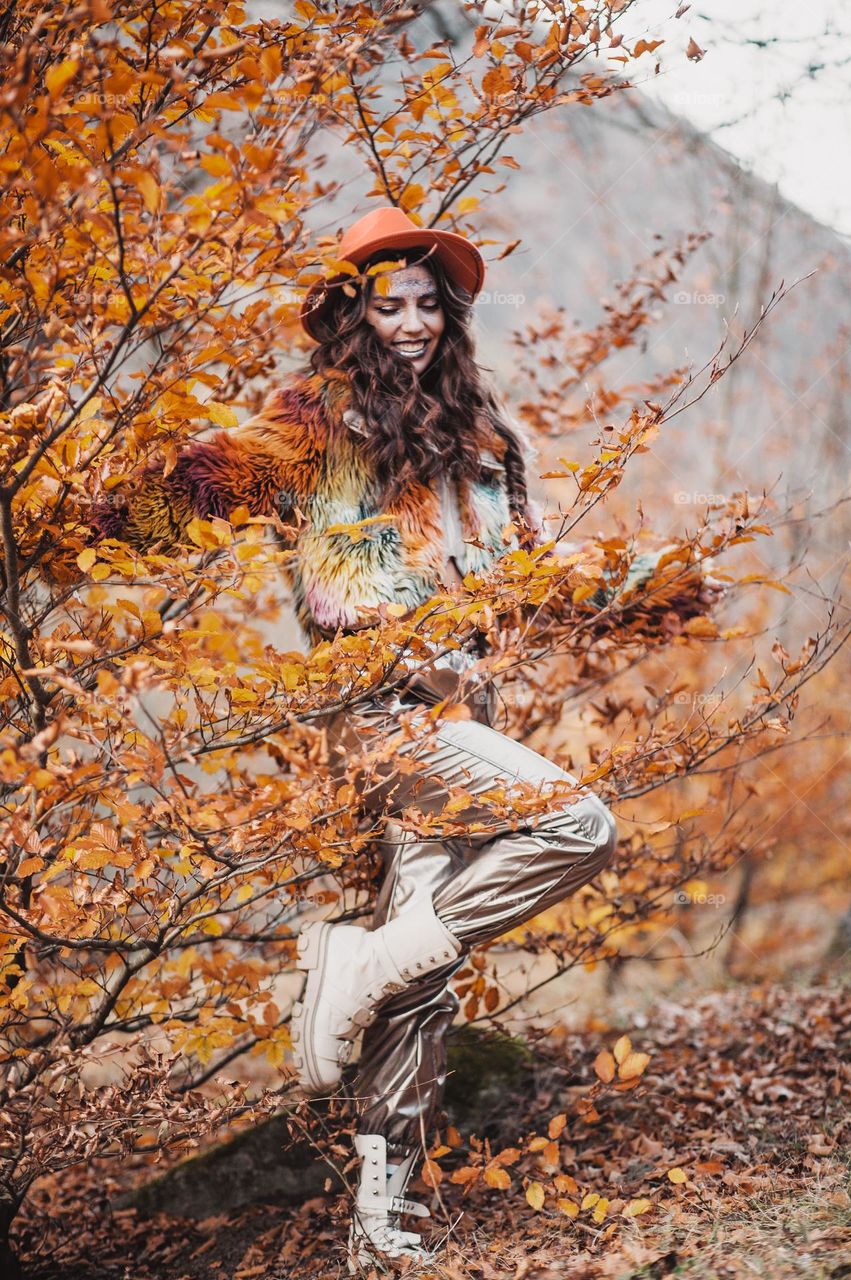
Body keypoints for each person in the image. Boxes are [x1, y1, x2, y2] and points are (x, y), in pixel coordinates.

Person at [88, 206, 701, 1272]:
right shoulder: (311, 426)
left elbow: (531, 572)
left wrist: (642, 594)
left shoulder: (484, 436)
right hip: (380, 710)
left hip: (472, 714)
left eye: (428, 303)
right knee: (578, 825)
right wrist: (77, 525)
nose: (412, 322)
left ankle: (382, 1205)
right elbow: (193, 490)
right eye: (390, 303)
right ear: (350, 311)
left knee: (426, 965)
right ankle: (360, 959)